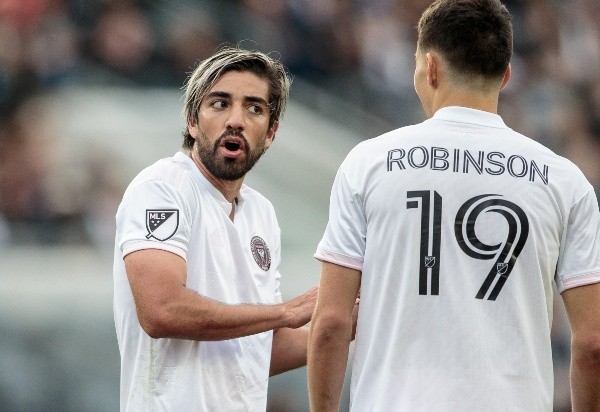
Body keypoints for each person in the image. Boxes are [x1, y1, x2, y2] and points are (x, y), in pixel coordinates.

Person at [307, 0, 600, 411]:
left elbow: (332, 323)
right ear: (505, 76)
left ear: (430, 67)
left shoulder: (369, 163)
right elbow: (592, 345)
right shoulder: (565, 181)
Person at [113, 47, 318, 411]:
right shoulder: (163, 188)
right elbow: (161, 310)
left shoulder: (261, 212)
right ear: (192, 122)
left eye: (254, 108)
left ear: (271, 132)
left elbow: (253, 352)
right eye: (220, 104)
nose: (236, 120)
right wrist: (287, 312)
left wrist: (344, 324)